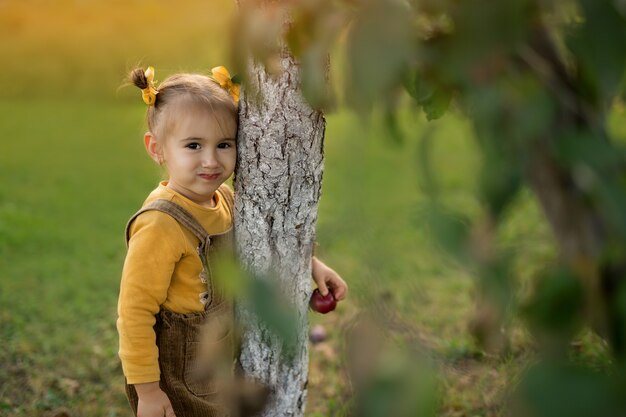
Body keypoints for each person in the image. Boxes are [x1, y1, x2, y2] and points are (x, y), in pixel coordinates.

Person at [117, 65, 348, 417]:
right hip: (175, 378)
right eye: (193, 145)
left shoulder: (224, 199)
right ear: (157, 148)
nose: (211, 160)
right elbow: (134, 313)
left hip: (218, 362)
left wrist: (313, 267)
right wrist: (148, 391)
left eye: (224, 144)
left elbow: (266, 240)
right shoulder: (160, 224)